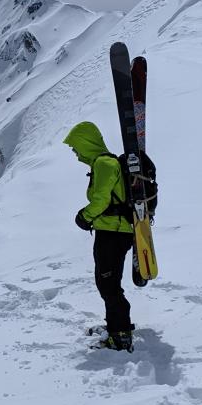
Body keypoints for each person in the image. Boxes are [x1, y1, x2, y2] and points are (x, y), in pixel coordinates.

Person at [63, 121, 134, 351]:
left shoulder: (104, 163)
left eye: (76, 147)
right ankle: (115, 326)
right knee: (108, 281)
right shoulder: (102, 163)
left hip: (113, 232)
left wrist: (85, 216)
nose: (75, 153)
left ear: (86, 143)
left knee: (107, 283)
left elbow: (102, 199)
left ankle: (120, 335)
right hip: (113, 230)